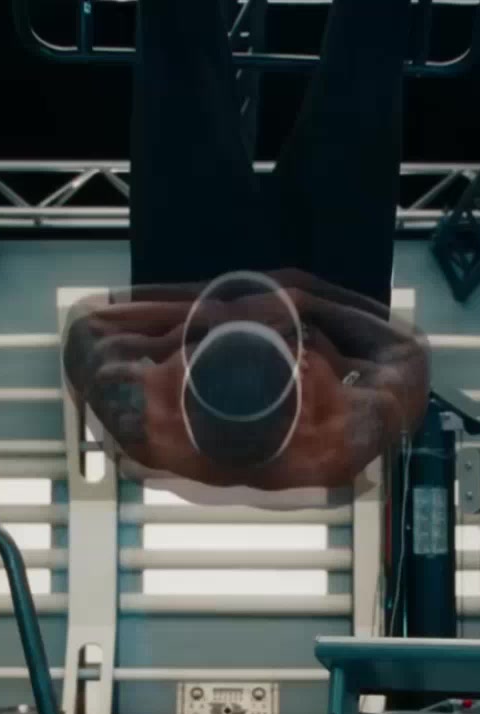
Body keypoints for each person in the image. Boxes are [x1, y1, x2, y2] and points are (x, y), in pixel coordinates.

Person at [62, 0, 432, 492]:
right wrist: (301, 300)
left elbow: (85, 329)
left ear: (184, 381)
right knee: (365, 77)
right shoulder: (336, 444)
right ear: (302, 380)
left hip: (194, 289)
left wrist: (194, 320)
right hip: (322, 299)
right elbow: (411, 352)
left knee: (176, 60)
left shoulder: (146, 427)